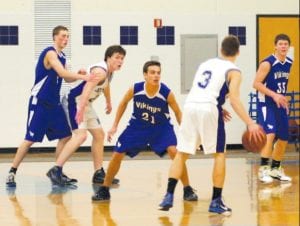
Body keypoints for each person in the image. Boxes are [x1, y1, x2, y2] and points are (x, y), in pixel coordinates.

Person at [158, 35, 265, 215]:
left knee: (182, 153)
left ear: (221, 50)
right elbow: (235, 100)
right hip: (209, 109)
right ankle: (216, 201)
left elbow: (203, 90)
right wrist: (250, 123)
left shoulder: (206, 64)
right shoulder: (234, 71)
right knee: (219, 154)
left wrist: (218, 106)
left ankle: (168, 196)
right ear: (238, 52)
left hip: (191, 106)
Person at [91, 60, 198, 202]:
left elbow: (178, 113)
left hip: (161, 129)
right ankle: (104, 189)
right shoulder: (135, 88)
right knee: (117, 153)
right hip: (137, 127)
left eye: (158, 73)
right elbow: (123, 103)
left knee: (174, 152)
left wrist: (186, 133)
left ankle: (187, 189)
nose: (156, 76)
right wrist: (115, 125)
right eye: (152, 73)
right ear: (145, 75)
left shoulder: (166, 92)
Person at [5, 25, 96, 187]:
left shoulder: (63, 57)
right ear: (54, 37)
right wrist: (85, 77)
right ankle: (12, 171)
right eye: (62, 36)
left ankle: (57, 171)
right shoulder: (50, 53)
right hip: (39, 102)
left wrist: (79, 74)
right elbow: (62, 73)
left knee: (67, 136)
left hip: (54, 104)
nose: (65, 39)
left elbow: (66, 78)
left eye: (67, 36)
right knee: (29, 140)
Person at [59, 45, 126, 185]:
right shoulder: (100, 71)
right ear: (108, 58)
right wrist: (81, 109)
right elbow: (87, 89)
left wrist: (108, 101)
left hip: (85, 103)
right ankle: (56, 169)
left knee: (99, 135)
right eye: (117, 57)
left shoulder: (108, 72)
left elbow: (105, 85)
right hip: (76, 101)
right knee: (81, 136)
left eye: (122, 58)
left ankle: (98, 173)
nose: (120, 61)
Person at [253, 34, 293, 183]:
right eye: (280, 44)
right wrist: (274, 95)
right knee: (270, 134)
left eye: (286, 44)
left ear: (288, 47)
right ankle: (263, 169)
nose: (283, 46)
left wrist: (282, 98)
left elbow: (281, 84)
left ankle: (275, 169)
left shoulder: (289, 62)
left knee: (283, 138)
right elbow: (256, 84)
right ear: (275, 46)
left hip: (279, 103)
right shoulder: (267, 63)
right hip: (266, 102)